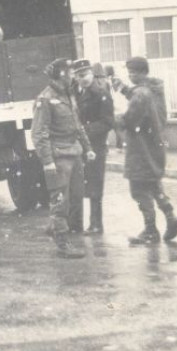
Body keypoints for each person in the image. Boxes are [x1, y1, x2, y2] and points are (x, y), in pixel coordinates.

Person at [111, 57, 177, 246]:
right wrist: (124, 89)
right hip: (154, 146)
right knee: (154, 185)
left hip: (140, 149)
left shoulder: (141, 94)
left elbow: (130, 119)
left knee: (139, 189)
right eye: (129, 73)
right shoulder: (154, 90)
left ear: (143, 72)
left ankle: (150, 231)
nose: (131, 76)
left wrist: (114, 118)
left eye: (133, 73)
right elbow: (141, 99)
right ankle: (170, 215)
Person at [31, 56, 95, 259]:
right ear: (60, 75)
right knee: (60, 200)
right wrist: (48, 161)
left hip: (74, 154)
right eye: (69, 73)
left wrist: (87, 148)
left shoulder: (69, 95)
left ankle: (59, 228)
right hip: (59, 157)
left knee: (76, 197)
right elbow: (39, 134)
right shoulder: (45, 99)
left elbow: (77, 125)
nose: (73, 76)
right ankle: (62, 244)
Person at [72, 58, 114, 234]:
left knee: (95, 185)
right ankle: (77, 223)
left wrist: (84, 131)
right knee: (80, 184)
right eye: (80, 76)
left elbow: (107, 122)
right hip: (82, 145)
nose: (84, 78)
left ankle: (96, 224)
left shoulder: (101, 93)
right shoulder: (77, 92)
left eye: (86, 74)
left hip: (95, 146)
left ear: (92, 73)